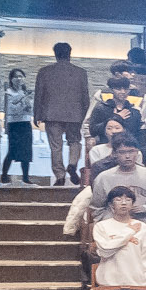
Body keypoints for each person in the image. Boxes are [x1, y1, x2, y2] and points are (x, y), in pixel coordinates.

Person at [34, 42, 88, 185]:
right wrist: (84, 115)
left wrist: (36, 114)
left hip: (51, 114)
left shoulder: (44, 71)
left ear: (55, 54)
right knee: (75, 141)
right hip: (74, 114)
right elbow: (85, 97)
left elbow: (39, 95)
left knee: (55, 145)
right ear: (70, 53)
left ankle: (60, 175)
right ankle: (72, 164)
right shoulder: (81, 72)